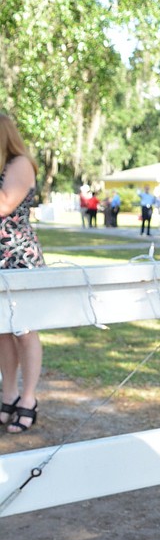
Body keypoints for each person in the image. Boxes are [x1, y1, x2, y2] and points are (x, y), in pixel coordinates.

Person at [0, 111, 44, 434]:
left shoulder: (20, 164)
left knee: (24, 331)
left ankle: (28, 399)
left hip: (19, 258)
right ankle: (9, 393)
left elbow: (4, 204)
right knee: (2, 331)